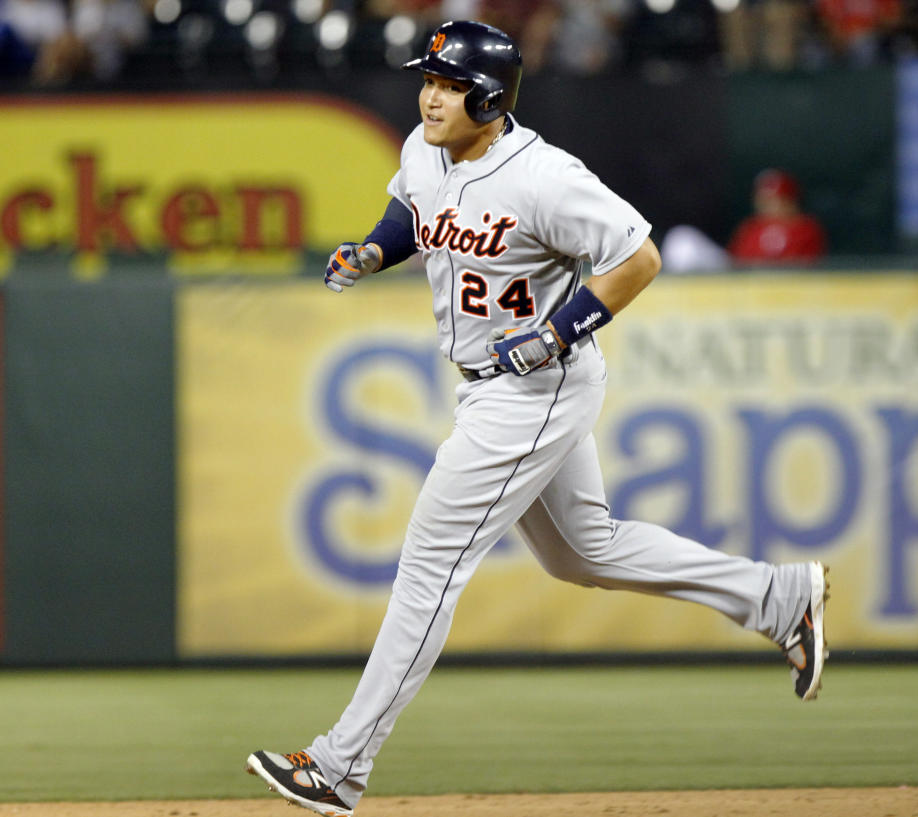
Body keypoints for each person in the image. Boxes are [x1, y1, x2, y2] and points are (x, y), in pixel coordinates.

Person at [245, 20, 829, 817]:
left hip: (534, 388)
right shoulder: (425, 149)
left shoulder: (545, 177)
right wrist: (373, 253)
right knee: (586, 552)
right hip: (488, 383)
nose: (430, 95)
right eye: (429, 79)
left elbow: (639, 257)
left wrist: (560, 327)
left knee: (427, 569)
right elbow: (408, 214)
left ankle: (340, 765)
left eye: (447, 84)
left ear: (487, 95)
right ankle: (777, 596)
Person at [727, 168, 827, 264]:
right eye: (765, 201)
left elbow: (809, 266)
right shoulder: (749, 228)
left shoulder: (806, 229)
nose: (770, 206)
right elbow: (738, 264)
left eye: (778, 200)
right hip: (753, 281)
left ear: (791, 201)